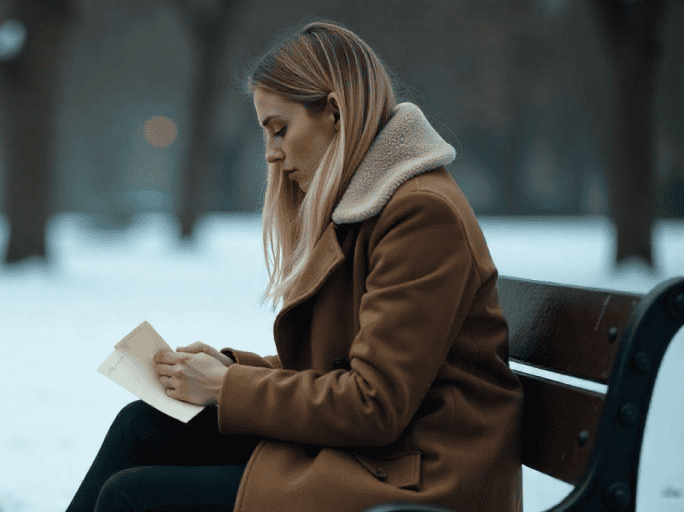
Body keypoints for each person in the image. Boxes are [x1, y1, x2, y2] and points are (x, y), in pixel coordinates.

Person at [66, 19, 522, 512]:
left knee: (133, 498)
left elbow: (373, 404)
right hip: (374, 454)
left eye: (280, 129)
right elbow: (338, 369)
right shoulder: (368, 206)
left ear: (334, 113)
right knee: (143, 425)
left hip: (419, 478)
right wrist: (231, 371)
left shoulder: (419, 215)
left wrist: (226, 387)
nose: (271, 154)